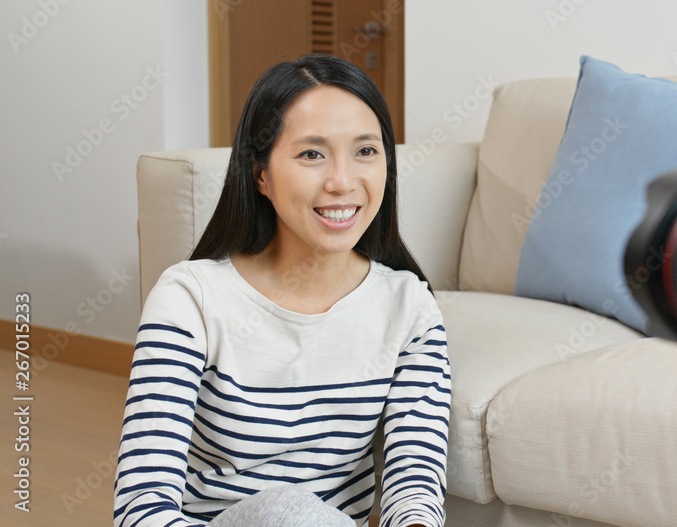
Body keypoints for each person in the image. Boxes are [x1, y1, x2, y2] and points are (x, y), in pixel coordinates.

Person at [113, 54, 450, 527]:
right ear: (260, 175)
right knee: (287, 514)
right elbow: (140, 508)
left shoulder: (409, 307)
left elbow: (414, 486)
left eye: (366, 151)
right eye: (312, 153)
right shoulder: (191, 299)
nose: (342, 181)